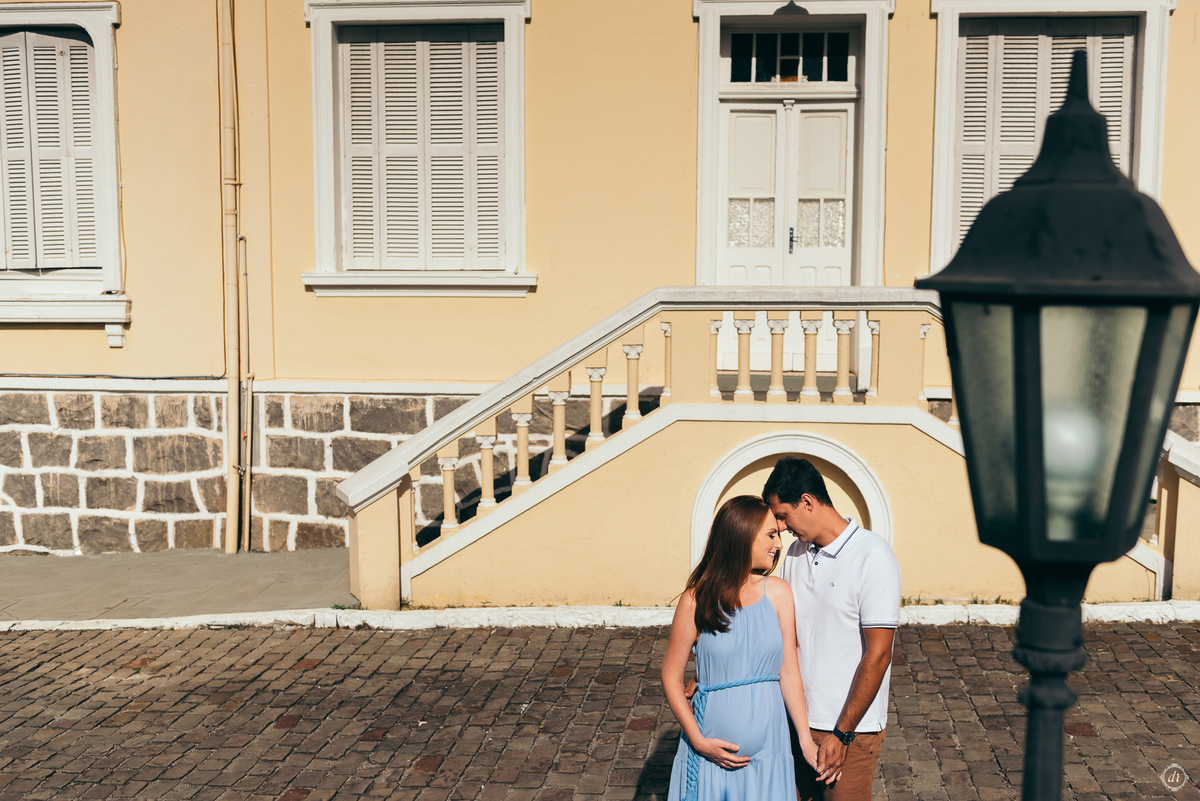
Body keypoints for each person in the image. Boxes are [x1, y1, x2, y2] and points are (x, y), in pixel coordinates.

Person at [662, 495, 835, 801]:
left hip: (771, 752)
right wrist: (698, 741)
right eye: (771, 535)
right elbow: (671, 678)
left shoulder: (778, 594)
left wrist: (805, 740)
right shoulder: (695, 600)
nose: (779, 545)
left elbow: (788, 670)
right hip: (711, 754)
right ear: (741, 536)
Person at [764, 457, 901, 801]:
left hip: (849, 731)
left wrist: (842, 735)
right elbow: (781, 637)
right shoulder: (794, 554)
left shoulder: (873, 556)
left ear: (807, 502)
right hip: (796, 723)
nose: (780, 527)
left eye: (783, 515)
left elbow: (879, 654)